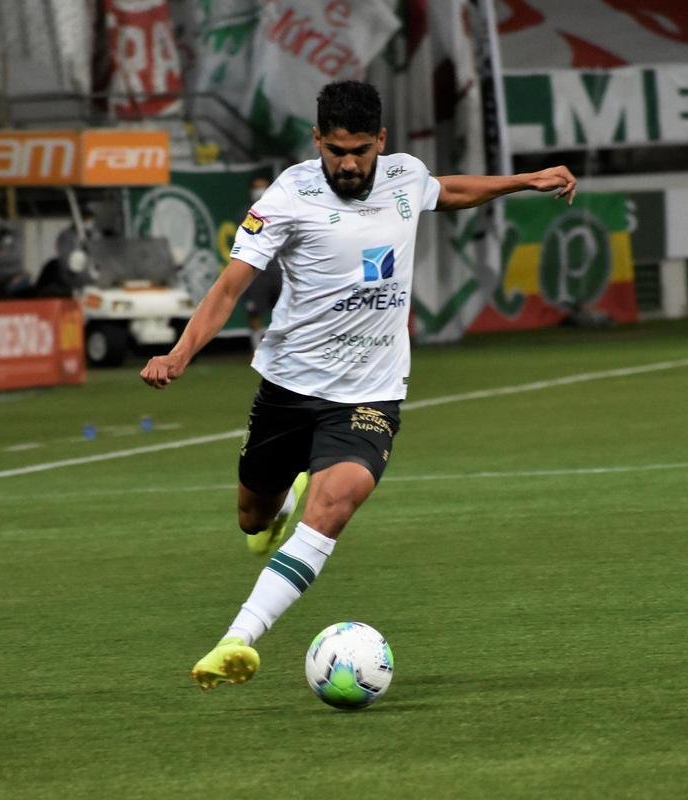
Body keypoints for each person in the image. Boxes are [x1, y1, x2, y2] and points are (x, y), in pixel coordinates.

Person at [139, 80, 576, 691]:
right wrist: (181, 353)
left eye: (362, 150)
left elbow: (448, 190)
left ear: (382, 142)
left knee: (333, 506)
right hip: (289, 389)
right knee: (251, 516)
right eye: (337, 150)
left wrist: (524, 181)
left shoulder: (404, 177)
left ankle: (236, 639)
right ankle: (279, 501)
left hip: (369, 394)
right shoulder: (288, 195)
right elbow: (229, 289)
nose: (349, 163)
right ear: (317, 140)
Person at [240, 174, 284, 350]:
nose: (260, 191)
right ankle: (256, 350)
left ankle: (281, 350)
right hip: (256, 273)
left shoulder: (282, 211)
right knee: (254, 312)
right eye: (257, 187)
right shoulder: (247, 214)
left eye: (263, 186)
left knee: (283, 311)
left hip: (279, 271)